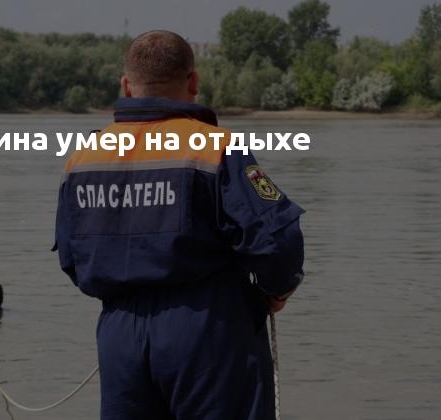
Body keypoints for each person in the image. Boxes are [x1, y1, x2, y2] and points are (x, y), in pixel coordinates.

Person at [53, 30, 305, 420]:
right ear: (194, 82)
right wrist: (277, 290)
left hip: (120, 337)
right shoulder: (215, 146)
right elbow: (277, 239)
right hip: (207, 328)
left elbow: (70, 256)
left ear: (126, 85)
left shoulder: (84, 158)